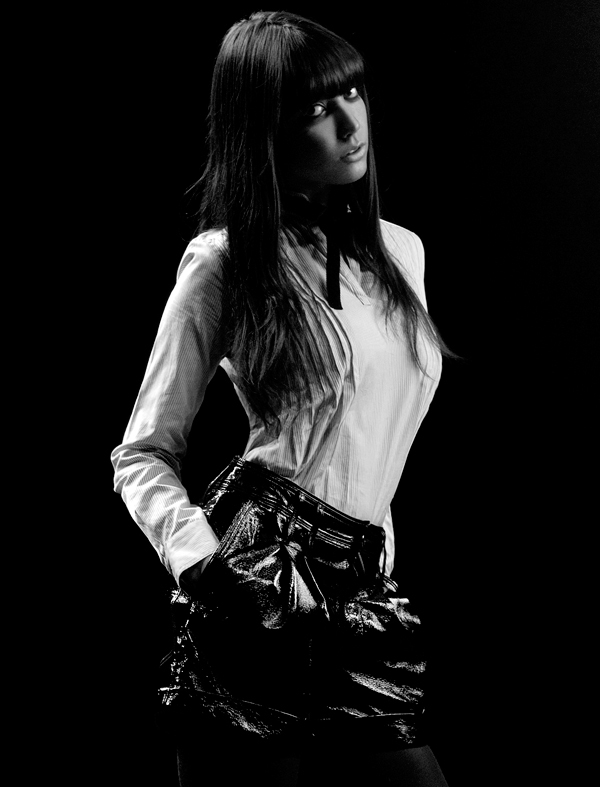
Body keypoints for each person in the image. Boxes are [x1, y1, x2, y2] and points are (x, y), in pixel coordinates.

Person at [111, 10, 453, 786]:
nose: (349, 125)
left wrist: (376, 559)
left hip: (360, 589)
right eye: (315, 110)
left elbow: (374, 434)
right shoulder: (225, 261)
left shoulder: (403, 253)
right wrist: (202, 564)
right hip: (259, 576)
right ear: (263, 133)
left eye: (353, 94)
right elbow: (141, 451)